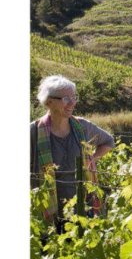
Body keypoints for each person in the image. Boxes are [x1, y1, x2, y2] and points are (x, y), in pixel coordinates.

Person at [30, 75, 115, 232]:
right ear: (49, 101)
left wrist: (92, 159)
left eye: (74, 97)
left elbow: (109, 142)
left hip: (83, 207)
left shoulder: (82, 127)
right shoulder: (34, 132)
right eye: (66, 98)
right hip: (47, 210)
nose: (73, 103)